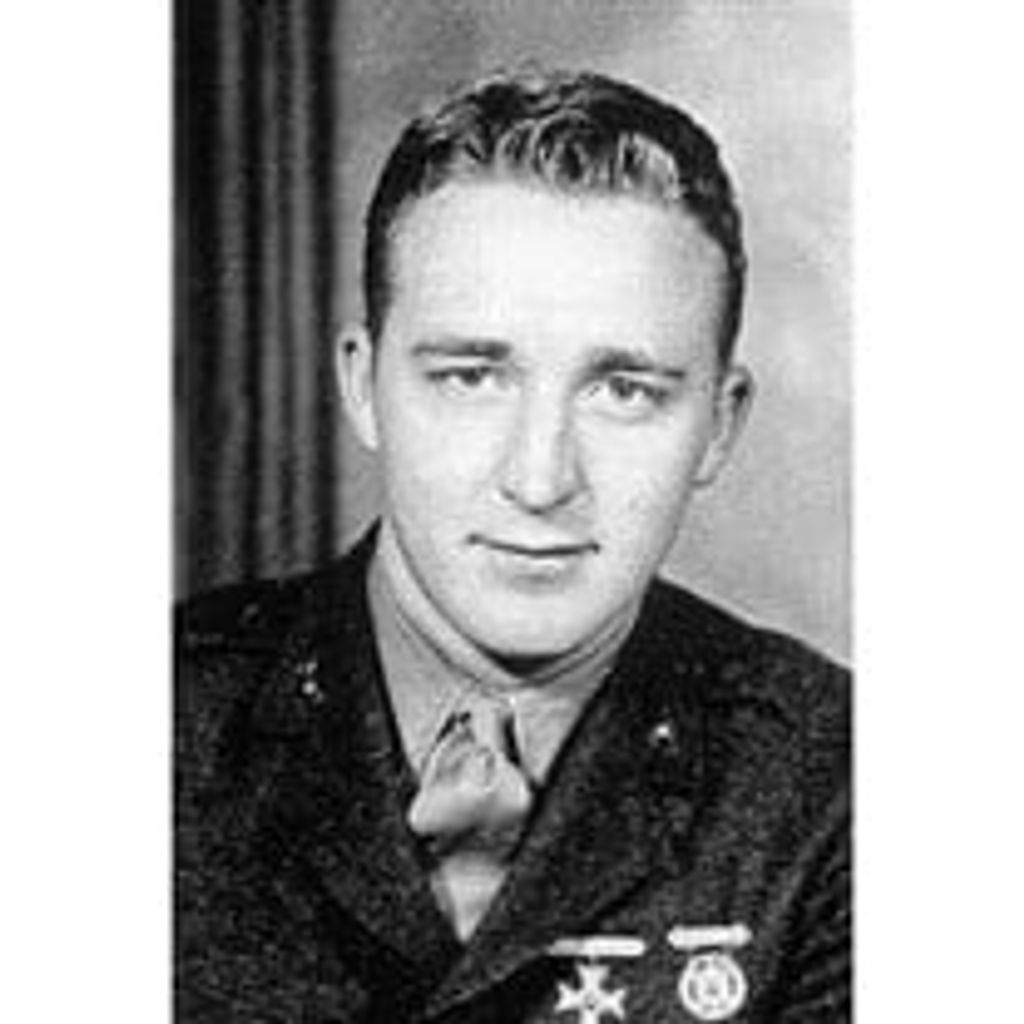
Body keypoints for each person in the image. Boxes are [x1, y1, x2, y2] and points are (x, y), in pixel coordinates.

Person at [176, 67, 850, 1023]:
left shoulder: (834, 783)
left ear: (719, 425)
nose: (539, 480)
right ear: (364, 388)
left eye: (624, 392)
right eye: (471, 377)